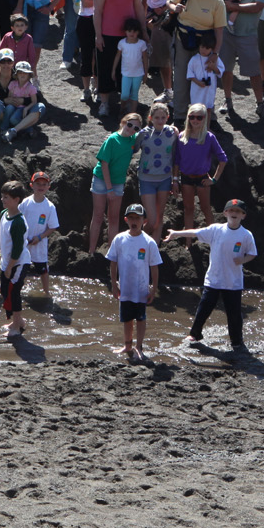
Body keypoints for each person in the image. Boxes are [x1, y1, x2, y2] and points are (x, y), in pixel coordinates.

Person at [166, 198, 258, 355]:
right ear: (225, 213)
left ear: (243, 215)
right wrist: (176, 234)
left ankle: (237, 342)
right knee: (204, 308)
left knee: (234, 314)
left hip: (233, 282)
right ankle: (195, 334)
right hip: (214, 279)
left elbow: (252, 253)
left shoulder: (246, 235)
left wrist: (242, 260)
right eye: (231, 210)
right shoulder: (216, 230)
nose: (234, 213)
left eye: (238, 211)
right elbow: (196, 232)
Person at [164, 0, 224, 119]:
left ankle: (205, 117)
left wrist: (215, 53)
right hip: (182, 40)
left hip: (204, 45)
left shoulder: (217, 1)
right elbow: (169, 1)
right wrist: (174, 7)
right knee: (181, 77)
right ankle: (179, 115)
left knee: (204, 78)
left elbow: (219, 30)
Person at [105, 203, 162, 363]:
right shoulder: (119, 239)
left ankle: (139, 347)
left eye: (138, 218)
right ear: (126, 220)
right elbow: (113, 262)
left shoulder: (149, 242)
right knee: (127, 318)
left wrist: (154, 288)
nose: (134, 221)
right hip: (125, 287)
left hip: (141, 288)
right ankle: (127, 345)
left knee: (140, 318)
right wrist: (114, 284)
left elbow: (154, 267)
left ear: (144, 221)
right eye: (131, 218)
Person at [89, 111, 141, 255]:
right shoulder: (112, 139)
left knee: (113, 218)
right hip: (101, 179)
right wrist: (109, 189)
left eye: (136, 128)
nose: (131, 129)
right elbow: (104, 164)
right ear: (123, 122)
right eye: (129, 125)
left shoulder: (133, 140)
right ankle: (91, 251)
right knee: (98, 216)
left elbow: (147, 133)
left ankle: (111, 253)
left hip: (118, 182)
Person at [175, 102, 227, 227]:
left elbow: (223, 159)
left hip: (202, 178)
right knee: (188, 209)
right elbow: (177, 160)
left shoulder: (209, 137)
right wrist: (175, 179)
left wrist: (214, 179)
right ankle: (188, 238)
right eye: (192, 117)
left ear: (204, 119)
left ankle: (212, 236)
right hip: (186, 177)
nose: (195, 120)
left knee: (206, 208)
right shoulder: (182, 137)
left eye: (199, 117)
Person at [0, 180, 31, 339]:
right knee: (4, 290)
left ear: (16, 200)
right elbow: (3, 239)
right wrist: (0, 255)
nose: (3, 200)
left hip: (18, 263)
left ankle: (16, 326)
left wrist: (10, 266)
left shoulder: (18, 223)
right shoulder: (4, 214)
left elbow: (17, 248)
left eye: (6, 197)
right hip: (6, 261)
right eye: (2, 196)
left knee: (13, 293)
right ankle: (19, 321)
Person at [18, 171, 60, 300]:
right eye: (38, 184)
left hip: (39, 243)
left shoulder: (50, 207)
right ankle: (17, 290)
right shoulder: (25, 203)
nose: (41, 186)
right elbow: (18, 219)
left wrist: (40, 237)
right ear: (31, 185)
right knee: (20, 267)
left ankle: (47, 293)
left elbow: (53, 226)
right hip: (24, 242)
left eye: (44, 184)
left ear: (48, 187)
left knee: (43, 269)